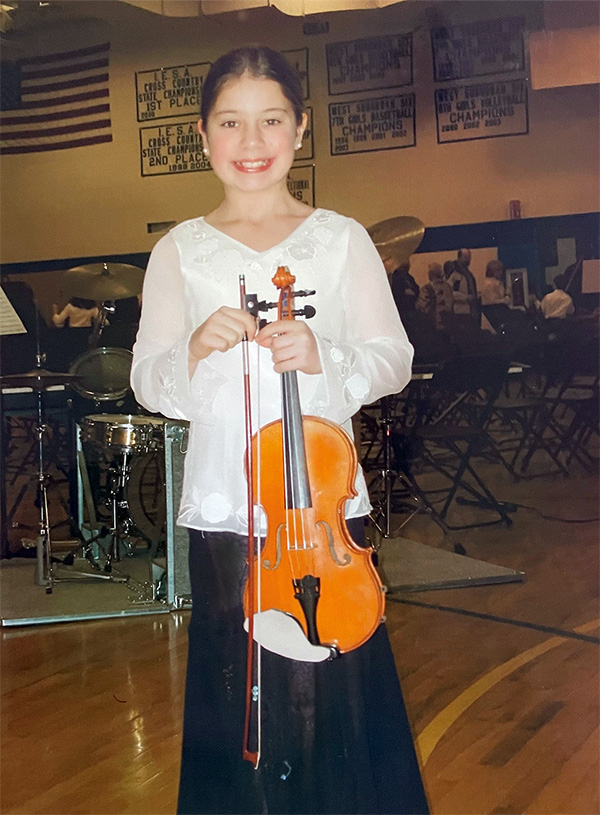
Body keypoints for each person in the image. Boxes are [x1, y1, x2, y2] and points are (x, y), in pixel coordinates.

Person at [131, 46, 428, 815]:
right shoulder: (179, 253)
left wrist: (326, 358)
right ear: (203, 136)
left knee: (333, 700)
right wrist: (192, 348)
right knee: (238, 704)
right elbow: (148, 380)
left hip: (324, 510)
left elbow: (394, 356)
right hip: (231, 512)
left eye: (270, 120)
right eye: (231, 122)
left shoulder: (341, 240)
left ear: (300, 131)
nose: (252, 140)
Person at [446, 248, 478, 326]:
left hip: (470, 311)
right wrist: (465, 297)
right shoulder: (455, 275)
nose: (468, 260)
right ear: (459, 258)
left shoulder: (468, 274)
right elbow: (449, 292)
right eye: (465, 258)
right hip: (459, 311)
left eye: (469, 258)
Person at [417, 262, 454, 329]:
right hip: (447, 325)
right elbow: (450, 305)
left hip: (431, 325)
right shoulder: (447, 287)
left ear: (431, 274)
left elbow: (420, 306)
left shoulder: (426, 289)